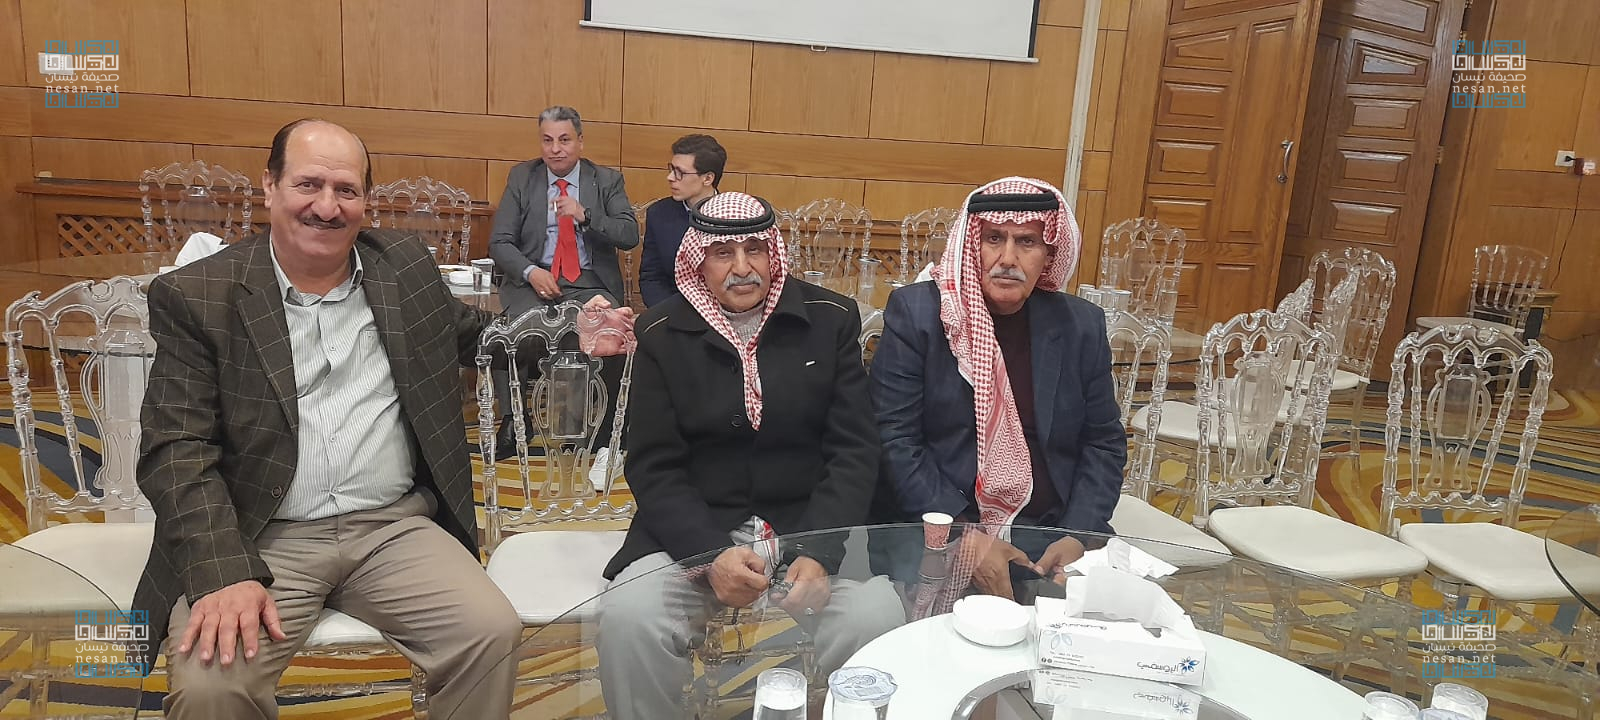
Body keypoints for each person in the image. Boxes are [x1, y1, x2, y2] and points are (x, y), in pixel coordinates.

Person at [132, 119, 521, 720]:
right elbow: (175, 448)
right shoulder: (201, 294)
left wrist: (573, 332)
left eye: (346, 190)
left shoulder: (403, 268)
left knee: (490, 633)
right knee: (212, 687)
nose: (327, 207)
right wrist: (223, 571)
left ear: (366, 199)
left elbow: (479, 338)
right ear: (270, 185)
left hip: (392, 528)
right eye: (308, 184)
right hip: (260, 534)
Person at [595, 192, 904, 720]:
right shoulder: (662, 332)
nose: (743, 268)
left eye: (755, 250)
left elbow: (854, 449)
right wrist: (710, 553)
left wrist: (817, 552)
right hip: (693, 534)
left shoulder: (830, 319)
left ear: (773, 253)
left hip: (811, 530)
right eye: (724, 254)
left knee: (876, 618)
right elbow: (653, 464)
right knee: (629, 619)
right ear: (699, 260)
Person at [870, 176, 1125, 600]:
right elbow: (894, 440)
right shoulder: (919, 314)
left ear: (1049, 254)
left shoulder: (1080, 325)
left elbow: (1103, 442)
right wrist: (965, 536)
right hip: (941, 527)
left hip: (1050, 533)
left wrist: (1077, 534)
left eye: (1027, 242)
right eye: (994, 239)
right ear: (974, 245)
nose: (1008, 258)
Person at [486, 105, 639, 466]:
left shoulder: (606, 180)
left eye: (565, 140)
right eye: (548, 140)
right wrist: (530, 272)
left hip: (588, 281)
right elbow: (500, 242)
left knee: (598, 332)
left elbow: (629, 234)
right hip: (533, 279)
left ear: (580, 142)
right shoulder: (523, 177)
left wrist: (585, 215)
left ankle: (584, 433)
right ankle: (513, 419)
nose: (555, 149)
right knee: (510, 331)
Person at [637, 133, 726, 306]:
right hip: (674, 308)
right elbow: (652, 277)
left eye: (680, 173)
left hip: (725, 310)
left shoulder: (735, 217)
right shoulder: (659, 214)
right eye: (671, 169)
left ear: (708, 178)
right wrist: (671, 314)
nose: (670, 177)